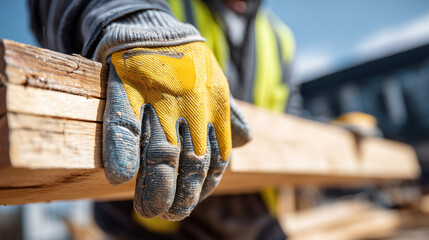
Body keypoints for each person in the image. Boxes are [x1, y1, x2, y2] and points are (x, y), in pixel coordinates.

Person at [28, 0, 300, 239]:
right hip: (151, 227)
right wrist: (131, 15)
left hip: (257, 224)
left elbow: (293, 118)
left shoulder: (278, 37)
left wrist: (336, 132)